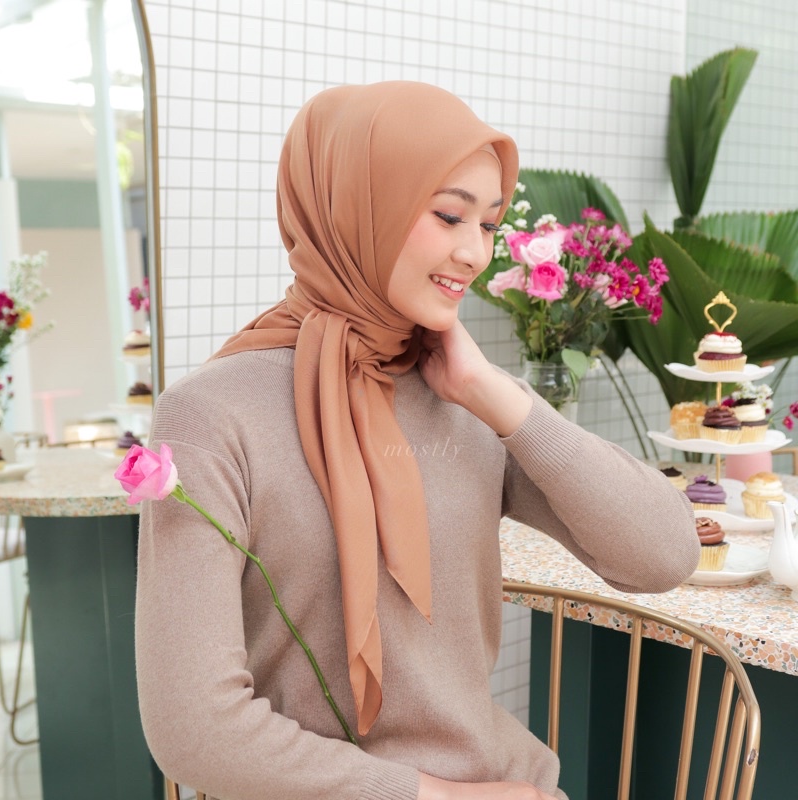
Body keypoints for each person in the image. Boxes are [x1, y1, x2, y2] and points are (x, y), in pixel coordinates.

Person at [135, 81, 699, 800]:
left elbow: (664, 554)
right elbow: (194, 729)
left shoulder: (465, 399)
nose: (474, 253)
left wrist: (501, 398)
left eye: (489, 224)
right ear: (355, 204)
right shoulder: (211, 415)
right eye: (448, 216)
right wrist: (440, 797)